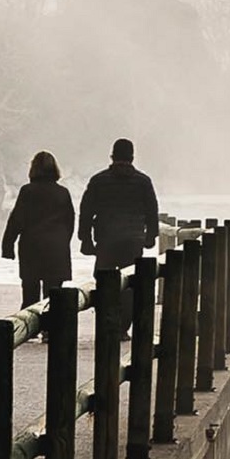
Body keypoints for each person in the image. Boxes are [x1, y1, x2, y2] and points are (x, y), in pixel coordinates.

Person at [77, 138, 159, 326]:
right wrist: (150, 236)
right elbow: (151, 211)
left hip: (106, 239)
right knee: (130, 283)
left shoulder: (98, 180)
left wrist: (85, 238)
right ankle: (123, 325)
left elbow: (87, 211)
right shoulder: (143, 181)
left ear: (112, 155)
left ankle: (106, 318)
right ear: (132, 156)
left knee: (103, 280)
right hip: (133, 240)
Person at [1, 150, 75, 309]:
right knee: (53, 296)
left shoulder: (28, 191)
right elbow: (70, 222)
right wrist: (62, 241)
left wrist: (7, 246)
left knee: (30, 296)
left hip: (32, 247)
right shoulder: (63, 192)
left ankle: (30, 330)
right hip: (56, 248)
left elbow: (16, 220)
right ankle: (51, 330)